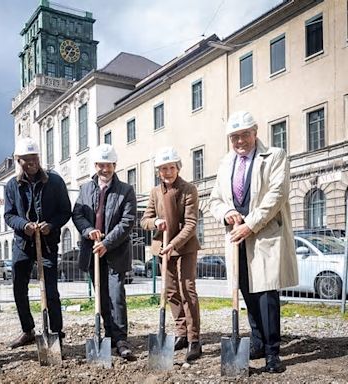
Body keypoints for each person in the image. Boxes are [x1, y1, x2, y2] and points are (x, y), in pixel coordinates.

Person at [209, 111, 298, 373]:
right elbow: (215, 199)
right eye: (234, 137)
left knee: (266, 294)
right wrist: (226, 213)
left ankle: (273, 353)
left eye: (244, 134)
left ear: (255, 132)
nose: (240, 141)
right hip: (237, 237)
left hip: (264, 235)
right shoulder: (226, 163)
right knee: (247, 291)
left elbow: (277, 194)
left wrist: (250, 224)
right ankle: (257, 341)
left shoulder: (275, 156)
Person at [4, 137, 71, 348]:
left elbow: (65, 211)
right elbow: (8, 215)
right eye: (26, 160)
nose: (31, 164)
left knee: (50, 289)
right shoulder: (12, 186)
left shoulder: (55, 181)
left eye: (34, 159)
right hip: (22, 244)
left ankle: (56, 332)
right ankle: (28, 330)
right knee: (19, 288)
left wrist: (51, 225)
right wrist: (24, 225)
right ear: (18, 160)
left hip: (48, 243)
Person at [72, 144, 137, 359]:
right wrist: (88, 230)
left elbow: (127, 222)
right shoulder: (85, 189)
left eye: (108, 165)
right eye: (100, 165)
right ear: (96, 165)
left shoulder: (126, 190)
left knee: (116, 295)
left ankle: (120, 338)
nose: (104, 169)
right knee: (101, 296)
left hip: (115, 252)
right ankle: (106, 336)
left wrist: (107, 243)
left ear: (114, 165)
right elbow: (78, 214)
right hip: (92, 253)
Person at [140, 146, 202, 362]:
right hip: (162, 247)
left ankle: (194, 340)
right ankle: (181, 334)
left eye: (170, 167)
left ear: (178, 168)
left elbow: (191, 223)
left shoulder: (188, 190)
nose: (166, 172)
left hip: (185, 247)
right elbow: (144, 219)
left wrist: (173, 244)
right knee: (171, 291)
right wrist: (155, 222)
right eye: (163, 168)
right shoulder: (155, 192)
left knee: (187, 289)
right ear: (158, 171)